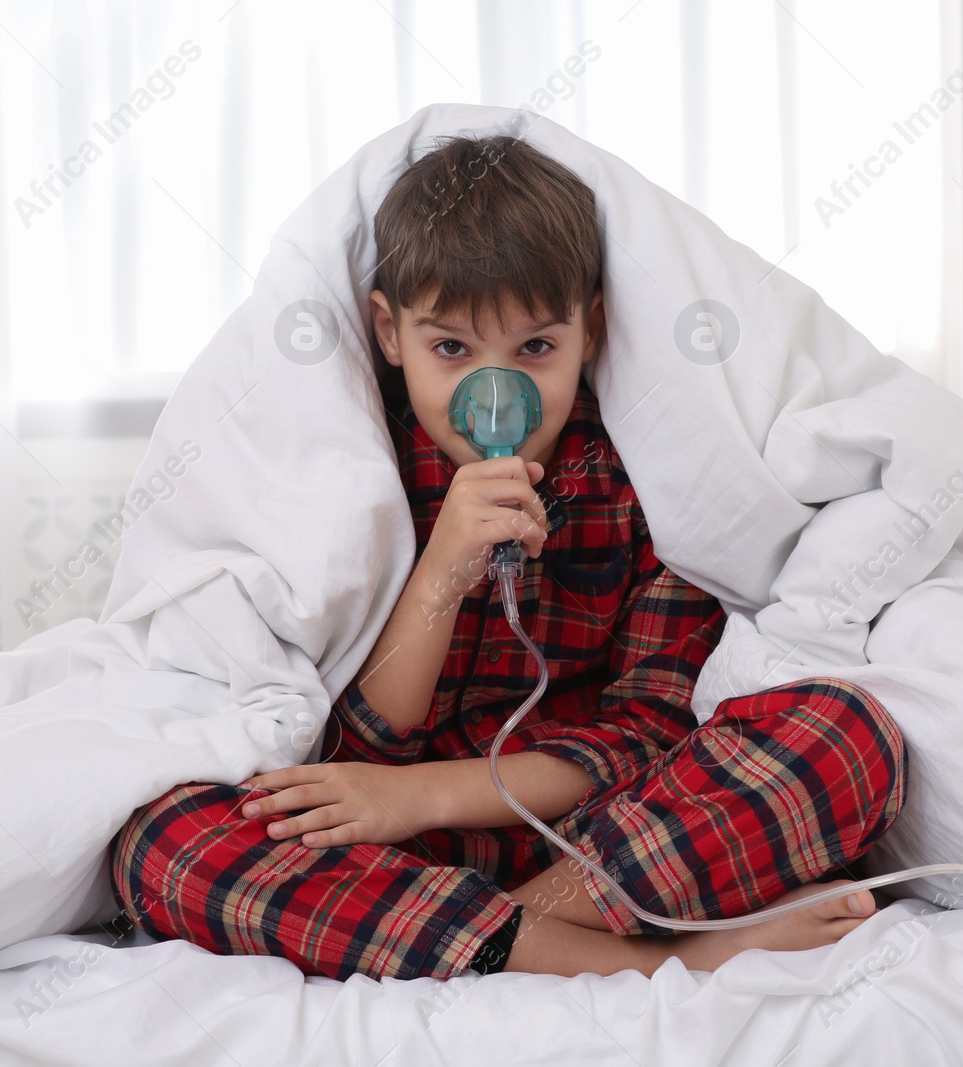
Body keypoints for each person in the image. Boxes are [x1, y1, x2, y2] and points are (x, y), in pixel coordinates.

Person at [108, 133, 909, 983]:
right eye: (450, 349)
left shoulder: (647, 477)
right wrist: (442, 570)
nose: (496, 394)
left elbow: (649, 732)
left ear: (590, 330)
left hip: (598, 842)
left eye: (534, 349)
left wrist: (427, 794)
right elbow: (361, 748)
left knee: (847, 736)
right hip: (396, 839)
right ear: (389, 331)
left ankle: (508, 934)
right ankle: (661, 955)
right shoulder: (347, 473)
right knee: (162, 839)